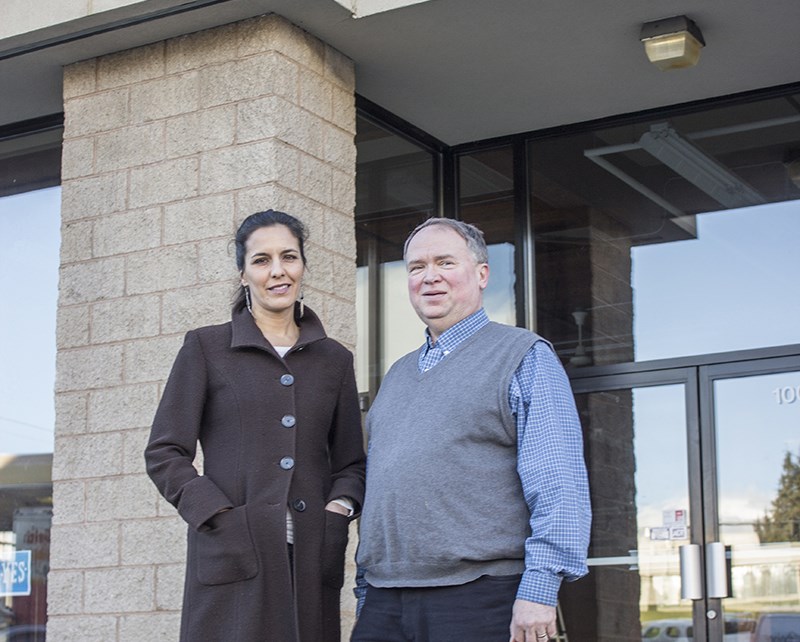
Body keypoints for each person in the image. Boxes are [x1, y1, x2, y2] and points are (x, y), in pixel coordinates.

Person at [352, 218, 591, 642]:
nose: (429, 277)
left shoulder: (523, 356)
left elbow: (559, 484)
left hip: (482, 597)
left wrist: (539, 591)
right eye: (416, 267)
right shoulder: (397, 375)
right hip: (387, 602)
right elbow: (382, 492)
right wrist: (366, 589)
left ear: (481, 274)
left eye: (445, 262)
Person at [145, 210, 366, 642]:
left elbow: (351, 463)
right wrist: (215, 513)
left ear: (303, 266)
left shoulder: (334, 359)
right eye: (262, 260)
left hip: (310, 553)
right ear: (243, 274)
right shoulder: (207, 347)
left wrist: (337, 511)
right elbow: (165, 452)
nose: (278, 271)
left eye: (289, 257)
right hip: (232, 554)